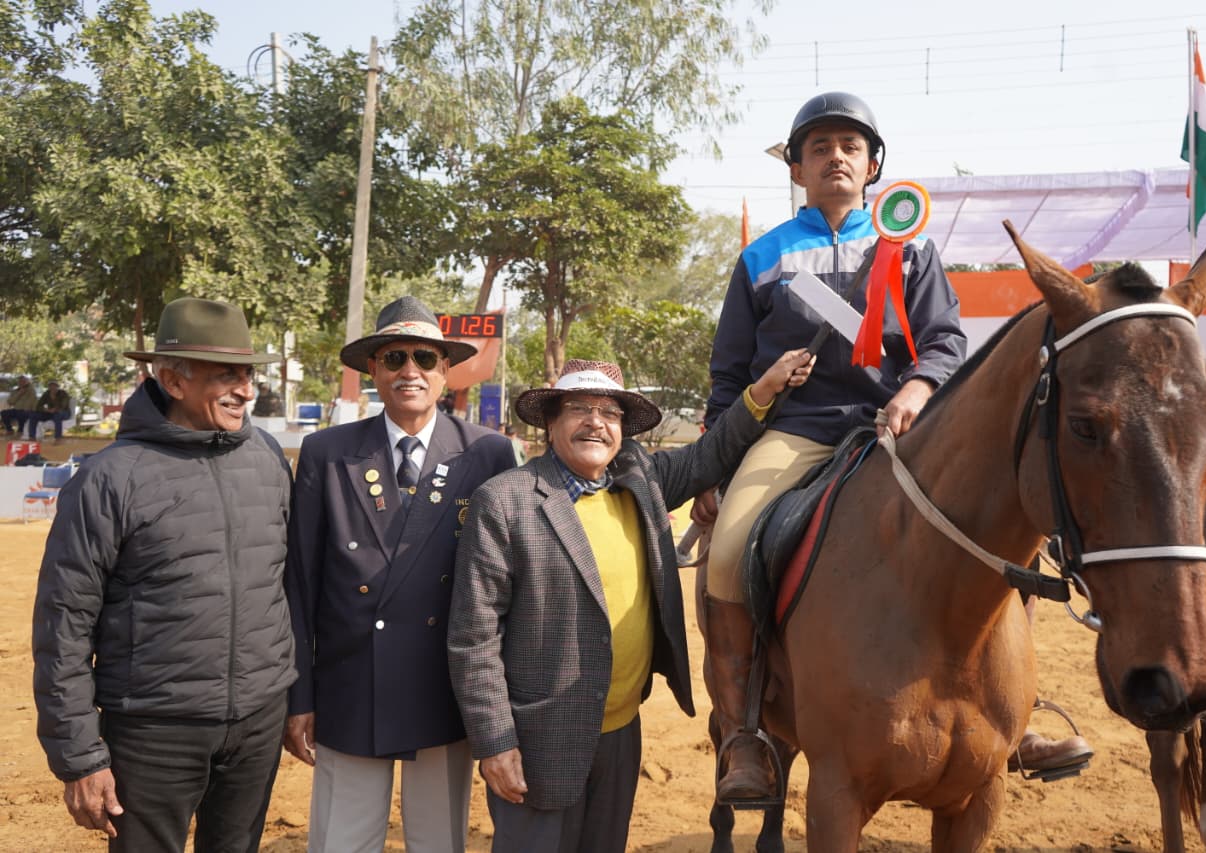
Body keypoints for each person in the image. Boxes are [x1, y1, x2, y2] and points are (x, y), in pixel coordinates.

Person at [696, 91, 1088, 801]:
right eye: (819, 147)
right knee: (725, 555)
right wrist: (715, 463)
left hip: (900, 429)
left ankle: (1017, 714)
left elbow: (943, 340)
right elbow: (728, 372)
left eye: (850, 146)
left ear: (872, 165)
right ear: (796, 168)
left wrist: (917, 389)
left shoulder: (911, 249)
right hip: (797, 430)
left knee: (1006, 536)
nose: (835, 157)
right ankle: (744, 733)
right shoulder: (760, 257)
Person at [448, 350, 813, 853]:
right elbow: (473, 638)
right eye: (579, 408)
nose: (595, 422)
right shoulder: (504, 502)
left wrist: (765, 389)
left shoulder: (639, 478)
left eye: (610, 412)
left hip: (620, 729)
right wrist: (496, 743)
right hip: (540, 737)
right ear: (551, 422)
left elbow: (711, 453)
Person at [31, 296, 294, 851]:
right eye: (226, 376)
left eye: (248, 375)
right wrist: (79, 756)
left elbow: (288, 584)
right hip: (152, 731)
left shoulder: (268, 458)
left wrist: (289, 698)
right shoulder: (108, 479)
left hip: (259, 722)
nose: (246, 391)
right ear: (173, 381)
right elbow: (64, 625)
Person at [283, 295, 518, 853]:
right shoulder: (326, 453)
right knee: (342, 841)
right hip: (351, 683)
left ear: (445, 371)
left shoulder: (487, 453)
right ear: (373, 369)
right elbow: (300, 585)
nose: (410, 370)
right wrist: (300, 696)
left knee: (439, 840)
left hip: (445, 685)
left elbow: (506, 587)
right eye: (394, 358)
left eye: (425, 358)